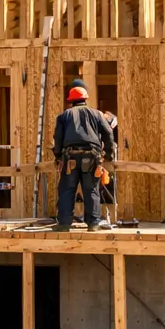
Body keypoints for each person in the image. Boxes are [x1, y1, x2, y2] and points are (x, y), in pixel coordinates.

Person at [52, 85, 116, 231]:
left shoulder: (64, 116)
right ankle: (93, 224)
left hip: (70, 158)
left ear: (71, 101)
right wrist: (109, 155)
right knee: (91, 189)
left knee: (67, 189)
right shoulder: (96, 114)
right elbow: (108, 133)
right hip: (91, 157)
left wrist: (58, 156)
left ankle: (64, 224)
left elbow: (58, 138)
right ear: (85, 99)